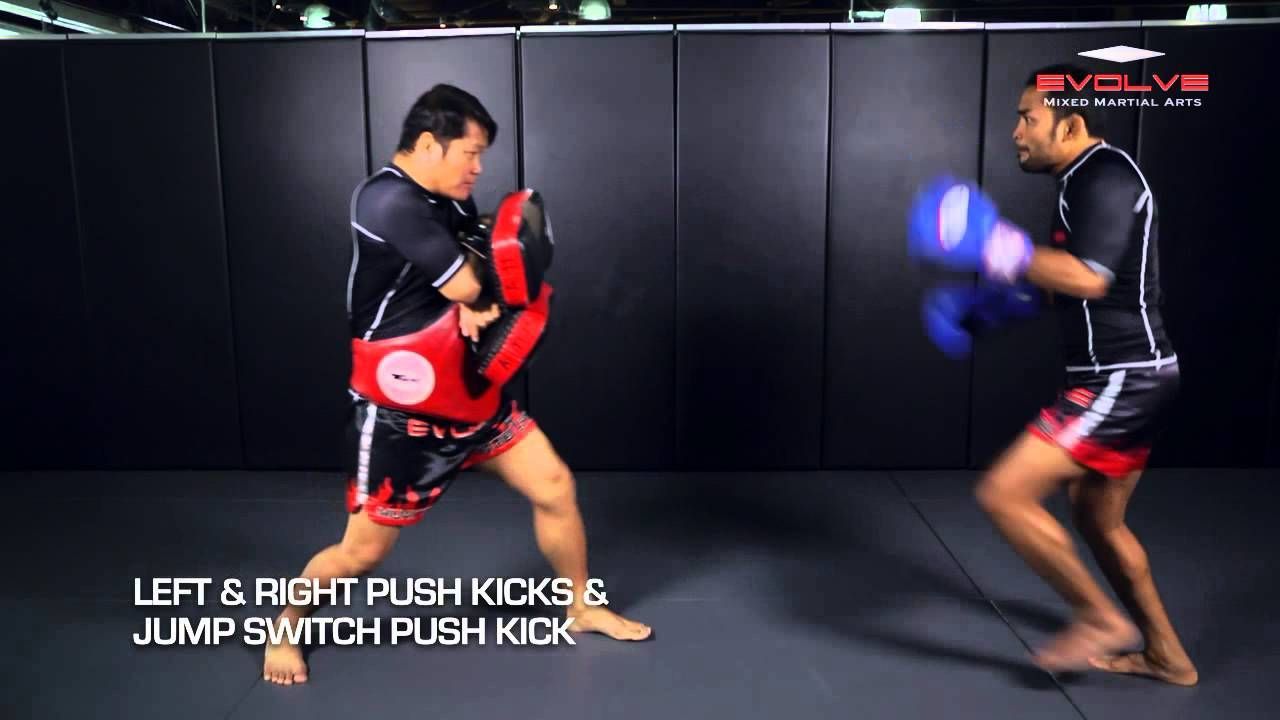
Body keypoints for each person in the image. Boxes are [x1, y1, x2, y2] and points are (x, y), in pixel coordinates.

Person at [263, 84, 651, 686]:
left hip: (469, 394)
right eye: (469, 153)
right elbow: (471, 283)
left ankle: (580, 607)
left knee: (554, 486)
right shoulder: (388, 201)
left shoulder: (448, 203)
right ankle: (285, 626)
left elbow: (487, 261)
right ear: (428, 144)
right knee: (362, 553)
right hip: (403, 416)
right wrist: (477, 291)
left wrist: (480, 284)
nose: (478, 168)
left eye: (481, 156)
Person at [908, 64, 1197, 685]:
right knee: (1098, 520)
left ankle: (1097, 617)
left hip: (1123, 378)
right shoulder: (1082, 180)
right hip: (1130, 374)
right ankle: (1167, 655)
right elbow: (1073, 282)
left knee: (1004, 494)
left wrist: (995, 243)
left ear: (1070, 124)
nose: (1016, 131)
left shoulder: (1106, 175)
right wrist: (993, 308)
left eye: (1027, 117)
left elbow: (1088, 278)